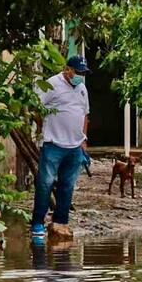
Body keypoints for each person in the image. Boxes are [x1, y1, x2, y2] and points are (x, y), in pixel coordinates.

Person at [30, 55, 90, 245]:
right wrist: (43, 127)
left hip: (75, 147)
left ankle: (61, 222)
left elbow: (85, 115)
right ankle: (37, 224)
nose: (80, 76)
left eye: (83, 73)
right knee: (45, 184)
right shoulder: (51, 84)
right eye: (77, 72)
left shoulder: (82, 88)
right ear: (67, 69)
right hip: (53, 144)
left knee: (67, 185)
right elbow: (36, 108)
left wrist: (83, 140)